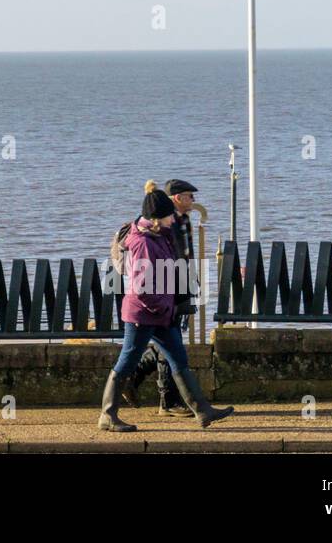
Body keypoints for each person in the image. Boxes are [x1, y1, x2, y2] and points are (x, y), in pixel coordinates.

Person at [98, 185, 234, 432]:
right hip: (143, 315)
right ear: (156, 218)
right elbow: (142, 288)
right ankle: (107, 416)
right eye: (169, 214)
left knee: (179, 359)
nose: (174, 217)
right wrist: (164, 307)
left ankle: (202, 411)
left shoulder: (160, 235)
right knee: (127, 361)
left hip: (161, 313)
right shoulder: (143, 243)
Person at [122, 178, 198, 416]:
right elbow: (169, 257)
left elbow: (185, 254)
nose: (193, 200)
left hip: (178, 287)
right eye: (189, 195)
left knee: (169, 342)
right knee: (168, 344)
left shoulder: (180, 220)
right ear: (176, 197)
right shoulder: (166, 222)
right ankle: (168, 401)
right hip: (167, 291)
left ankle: (133, 379)